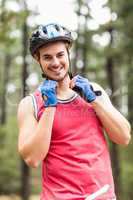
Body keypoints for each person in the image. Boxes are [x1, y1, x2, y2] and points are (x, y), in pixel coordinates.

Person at [17, 23, 131, 200]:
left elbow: (124, 137)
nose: (55, 63)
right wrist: (49, 107)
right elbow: (32, 158)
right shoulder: (30, 103)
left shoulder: (93, 90)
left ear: (68, 53)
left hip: (101, 196)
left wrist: (94, 101)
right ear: (37, 60)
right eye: (47, 57)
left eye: (60, 55)